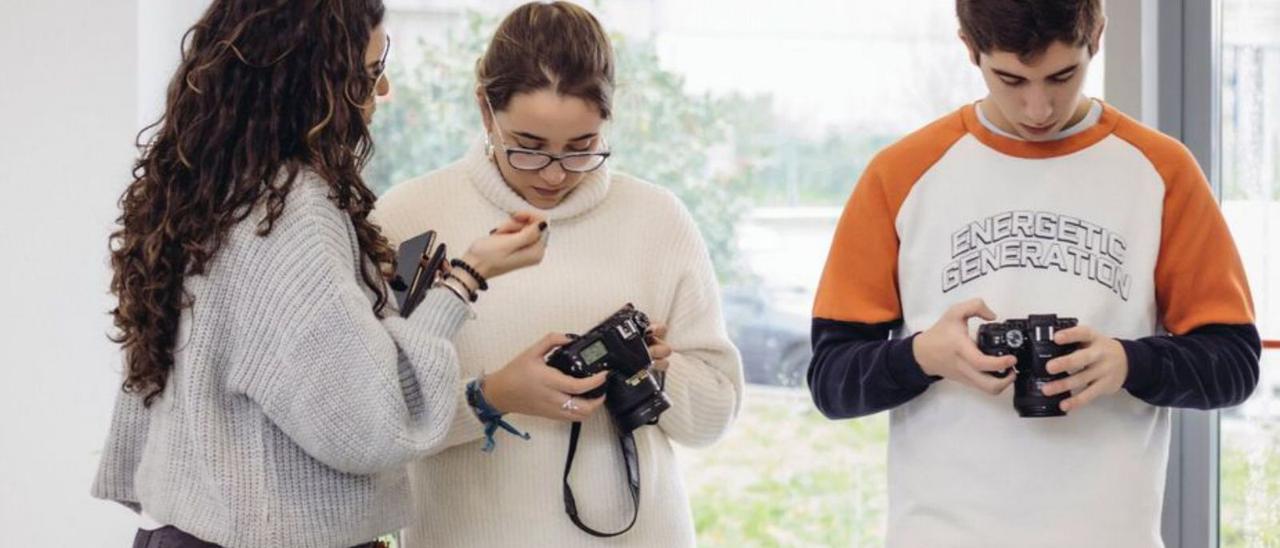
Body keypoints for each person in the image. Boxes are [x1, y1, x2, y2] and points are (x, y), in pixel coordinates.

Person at [91, 1, 547, 545]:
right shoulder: (290, 211)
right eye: (368, 74)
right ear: (310, 82)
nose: (382, 92)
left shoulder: (203, 185)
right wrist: (466, 278)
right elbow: (369, 422)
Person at [807, 1, 1260, 546]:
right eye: (1010, 79)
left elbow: (1233, 363)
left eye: (1062, 76)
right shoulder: (899, 174)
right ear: (969, 47)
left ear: (1096, 36)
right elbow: (830, 381)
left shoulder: (1162, 171)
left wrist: (1127, 362)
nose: (1038, 107)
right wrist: (923, 356)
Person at [373, 2, 744, 546]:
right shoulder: (409, 217)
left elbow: (713, 418)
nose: (553, 174)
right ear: (485, 111)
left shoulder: (657, 219)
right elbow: (376, 420)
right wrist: (493, 395)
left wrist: (655, 371)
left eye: (581, 149)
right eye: (527, 148)